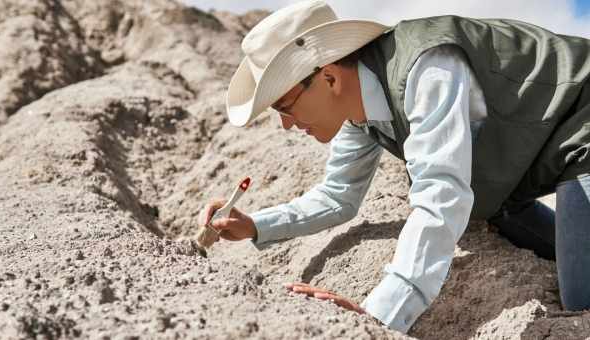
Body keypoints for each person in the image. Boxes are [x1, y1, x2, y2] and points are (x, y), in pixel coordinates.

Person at [202, 0, 590, 333]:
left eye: (285, 108)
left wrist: (377, 316)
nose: (286, 124)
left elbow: (442, 194)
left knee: (581, 304)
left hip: (583, 132)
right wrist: (254, 224)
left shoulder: (428, 69)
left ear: (329, 77)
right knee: (492, 214)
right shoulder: (358, 113)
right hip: (533, 163)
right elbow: (339, 194)